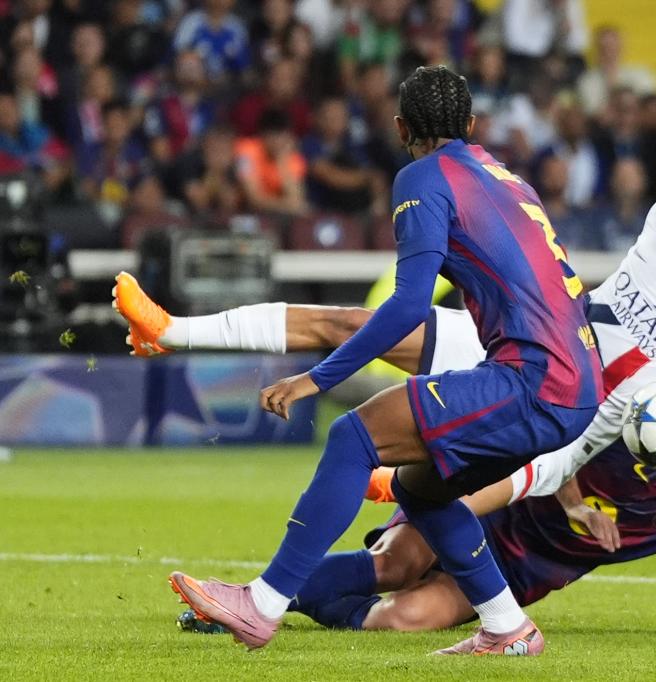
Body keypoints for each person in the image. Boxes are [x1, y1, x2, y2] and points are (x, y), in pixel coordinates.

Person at [115, 162, 656, 566]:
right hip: (528, 344)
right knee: (349, 323)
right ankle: (170, 330)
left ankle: (389, 530)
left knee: (411, 547)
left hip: (566, 415)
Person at [136, 65, 603, 656]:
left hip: (534, 380)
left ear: (401, 127)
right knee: (422, 491)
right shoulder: (507, 178)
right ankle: (509, 628)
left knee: (353, 437)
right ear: (471, 126)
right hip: (580, 380)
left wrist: (316, 377)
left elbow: (407, 305)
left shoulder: (423, 177)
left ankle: (261, 605)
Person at [181, 392, 656, 636]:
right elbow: (556, 439)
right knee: (397, 563)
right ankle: (249, 601)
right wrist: (576, 502)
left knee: (400, 621)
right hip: (491, 504)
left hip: (515, 576)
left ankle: (295, 602)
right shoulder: (643, 413)